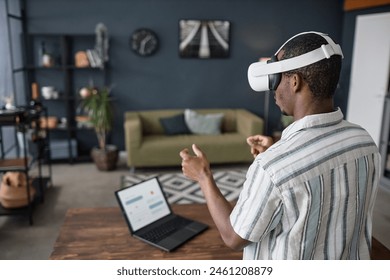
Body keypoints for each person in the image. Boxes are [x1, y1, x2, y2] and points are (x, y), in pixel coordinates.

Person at [179, 31, 380, 260]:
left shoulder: (273, 166)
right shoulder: (364, 141)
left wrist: (203, 176)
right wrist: (279, 150)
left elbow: (233, 237)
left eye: (277, 78)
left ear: (294, 82)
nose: (273, 88)